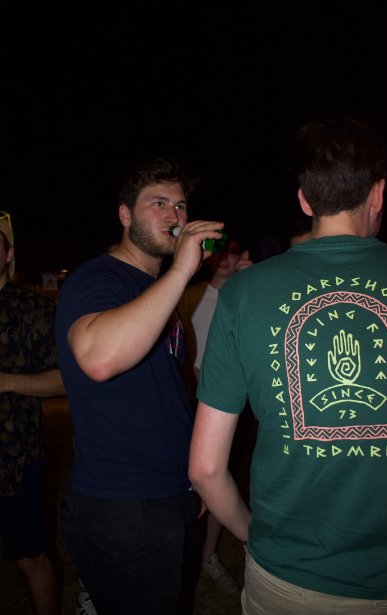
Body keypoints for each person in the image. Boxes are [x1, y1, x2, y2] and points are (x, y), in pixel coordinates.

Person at [188, 116, 387, 613]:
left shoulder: (243, 293)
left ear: (305, 200)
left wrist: (252, 534)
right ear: (378, 194)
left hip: (287, 580)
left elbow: (205, 468)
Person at [55, 158, 226, 615]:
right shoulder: (99, 278)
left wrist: (190, 479)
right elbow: (98, 359)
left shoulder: (156, 290)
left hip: (165, 492)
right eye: (159, 203)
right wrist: (180, 273)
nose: (174, 216)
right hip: (123, 504)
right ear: (125, 214)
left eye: (181, 206)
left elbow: (165, 394)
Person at [178, 238, 253, 594]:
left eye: (232, 252)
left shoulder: (247, 292)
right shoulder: (187, 294)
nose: (225, 258)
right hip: (188, 399)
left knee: (222, 477)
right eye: (220, 252)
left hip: (231, 404)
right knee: (187, 479)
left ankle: (208, 555)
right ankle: (181, 555)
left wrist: (251, 282)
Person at [0, 210, 66, 615]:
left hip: (15, 458)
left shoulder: (34, 309)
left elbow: (66, 379)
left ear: (8, 254)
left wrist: (7, 381)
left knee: (30, 557)